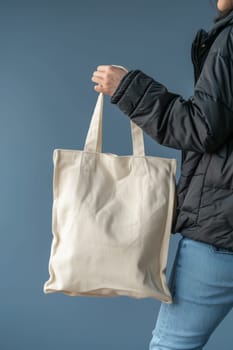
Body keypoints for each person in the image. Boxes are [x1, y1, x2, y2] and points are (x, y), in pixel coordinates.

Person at [91, 0, 233, 349]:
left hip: (221, 235)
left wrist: (128, 88)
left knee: (173, 345)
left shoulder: (230, 40)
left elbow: (201, 127)